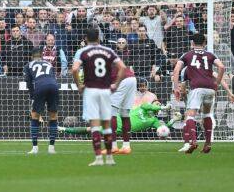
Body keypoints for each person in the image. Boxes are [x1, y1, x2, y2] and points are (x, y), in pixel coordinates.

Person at [72, 27, 126, 166]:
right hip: (105, 90)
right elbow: (122, 67)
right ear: (98, 37)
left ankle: (98, 159)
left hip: (90, 90)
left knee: (95, 125)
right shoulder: (108, 51)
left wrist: (79, 85)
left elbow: (74, 68)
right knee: (106, 125)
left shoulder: (82, 51)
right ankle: (109, 158)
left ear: (86, 38)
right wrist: (116, 84)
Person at [173, 33, 225, 154]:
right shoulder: (210, 54)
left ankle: (193, 141)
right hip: (210, 88)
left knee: (190, 115)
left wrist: (176, 87)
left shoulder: (187, 55)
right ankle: (207, 144)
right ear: (204, 43)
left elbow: (176, 69)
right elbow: (221, 67)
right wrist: (216, 83)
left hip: (197, 88)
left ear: (192, 43)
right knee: (207, 114)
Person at [58, 101, 179, 148]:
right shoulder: (144, 106)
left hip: (122, 129)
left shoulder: (154, 121)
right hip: (116, 119)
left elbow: (163, 129)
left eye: (159, 105)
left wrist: (173, 120)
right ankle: (64, 129)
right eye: (156, 103)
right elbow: (150, 106)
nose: (156, 105)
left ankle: (64, 129)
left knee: (92, 129)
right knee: (92, 127)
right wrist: (164, 107)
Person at [24, 47, 59, 155]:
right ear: (42, 56)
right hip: (54, 86)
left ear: (31, 57)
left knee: (34, 116)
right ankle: (51, 148)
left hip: (40, 87)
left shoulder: (28, 65)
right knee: (53, 116)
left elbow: (29, 83)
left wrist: (32, 97)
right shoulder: (49, 64)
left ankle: (35, 148)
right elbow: (53, 77)